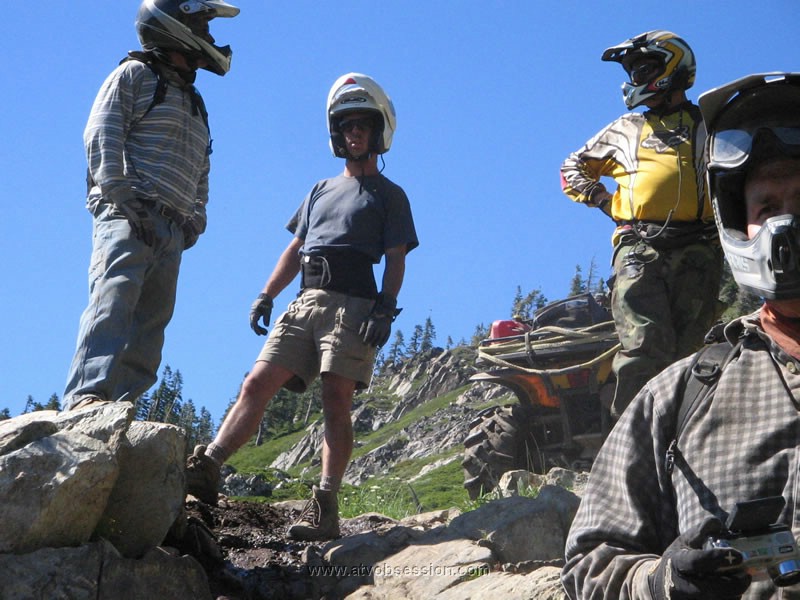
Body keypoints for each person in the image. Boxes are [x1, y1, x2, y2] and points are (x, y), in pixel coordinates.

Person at [562, 72, 800, 599]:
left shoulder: (691, 126)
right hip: (646, 247)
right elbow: (589, 567)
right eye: (767, 208)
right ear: (739, 223)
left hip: (692, 253)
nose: (789, 224)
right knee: (644, 345)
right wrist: (661, 581)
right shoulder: (678, 397)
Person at [185, 73, 419, 541]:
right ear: (338, 135)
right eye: (346, 126)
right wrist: (266, 294)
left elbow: (396, 259)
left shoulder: (390, 196)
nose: (354, 133)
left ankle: (326, 508)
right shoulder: (317, 190)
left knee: (337, 398)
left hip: (354, 305)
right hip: (305, 300)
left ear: (378, 133)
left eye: (362, 126)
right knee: (256, 381)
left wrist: (385, 308)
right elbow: (295, 250)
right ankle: (207, 470)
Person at [62, 0, 239, 411]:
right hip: (130, 213)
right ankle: (88, 396)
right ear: (175, 26)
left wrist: (196, 218)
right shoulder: (135, 75)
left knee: (152, 323)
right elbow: (102, 132)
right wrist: (121, 197)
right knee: (114, 299)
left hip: (172, 225)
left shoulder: (193, 100)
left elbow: (203, 164)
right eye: (201, 25)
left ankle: (121, 407)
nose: (210, 37)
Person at [560, 30, 723, 418]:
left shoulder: (711, 125)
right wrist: (601, 200)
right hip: (640, 247)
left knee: (693, 353)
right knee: (644, 344)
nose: (635, 79)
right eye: (633, 72)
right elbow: (571, 168)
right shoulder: (625, 128)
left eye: (644, 69)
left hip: (699, 249)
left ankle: (686, 441)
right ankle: (630, 442)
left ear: (672, 68)